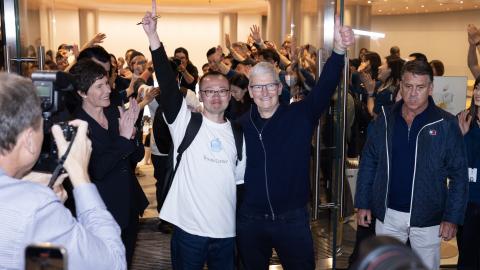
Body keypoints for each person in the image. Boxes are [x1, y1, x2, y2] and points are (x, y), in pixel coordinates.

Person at [235, 16, 354, 269]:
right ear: (250, 91)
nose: (264, 92)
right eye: (258, 87)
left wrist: (339, 51)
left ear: (280, 89)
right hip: (251, 219)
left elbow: (324, 87)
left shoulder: (299, 116)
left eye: (270, 86)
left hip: (292, 219)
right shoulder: (240, 124)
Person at [141, 6, 246, 269]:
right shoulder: (185, 122)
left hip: (226, 233)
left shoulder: (238, 134)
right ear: (200, 93)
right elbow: (166, 82)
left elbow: (239, 185)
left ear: (230, 94)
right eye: (209, 91)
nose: (216, 96)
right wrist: (153, 37)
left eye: (222, 91)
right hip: (188, 232)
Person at [0, 72, 126, 270]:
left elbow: (34, 262)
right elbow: (113, 263)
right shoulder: (34, 208)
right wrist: (80, 176)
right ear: (28, 141)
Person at [355, 60, 469, 269]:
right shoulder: (386, 118)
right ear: (400, 86)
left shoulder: (446, 124)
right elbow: (370, 160)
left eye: (420, 87)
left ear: (431, 89)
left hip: (428, 217)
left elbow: (459, 174)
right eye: (408, 86)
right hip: (388, 214)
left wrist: (451, 217)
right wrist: (363, 201)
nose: (413, 93)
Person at [70, 59, 148, 268]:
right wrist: (123, 139)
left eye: (107, 83)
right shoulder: (76, 125)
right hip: (101, 211)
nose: (108, 90)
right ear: (82, 93)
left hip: (129, 205)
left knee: (126, 261)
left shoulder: (114, 111)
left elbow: (137, 156)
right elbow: (97, 169)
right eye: (99, 86)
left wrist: (133, 134)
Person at [456, 76, 480, 269]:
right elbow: (451, 161)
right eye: (477, 88)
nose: (478, 93)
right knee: (467, 256)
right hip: (467, 199)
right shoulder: (463, 118)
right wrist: (461, 137)